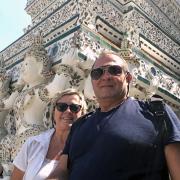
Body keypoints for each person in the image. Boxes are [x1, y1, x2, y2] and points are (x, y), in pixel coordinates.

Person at [48, 52, 180, 180]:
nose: (105, 77)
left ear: (128, 78)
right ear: (92, 81)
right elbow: (62, 170)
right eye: (97, 73)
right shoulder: (79, 125)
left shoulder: (156, 113)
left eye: (114, 70)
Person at [11, 88, 87, 180]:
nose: (68, 111)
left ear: (82, 114)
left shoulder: (88, 147)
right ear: (53, 112)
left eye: (74, 107)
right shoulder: (33, 143)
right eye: (61, 107)